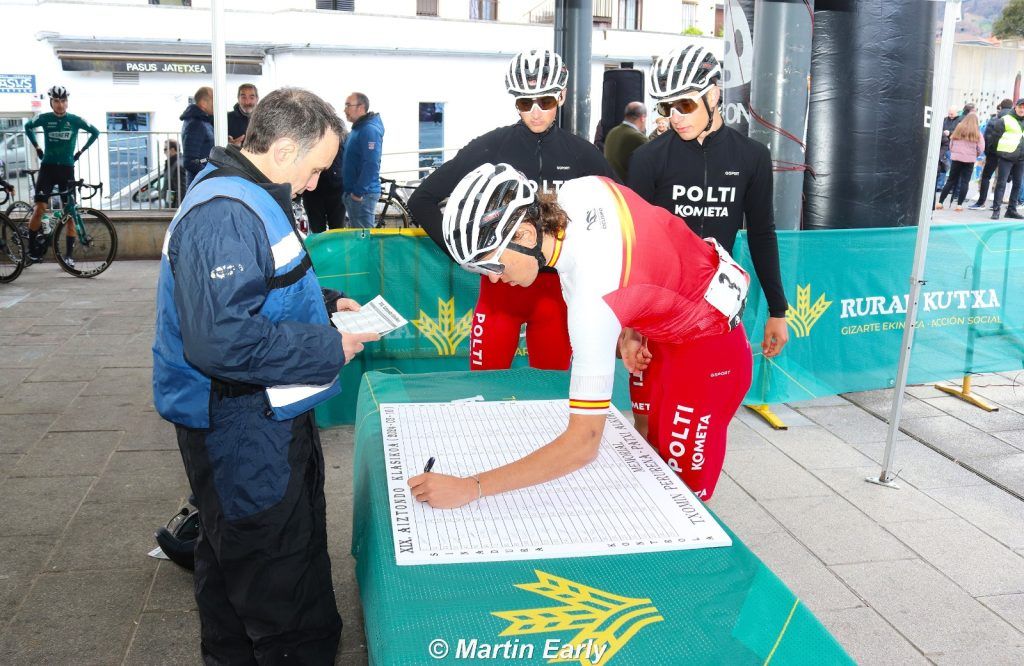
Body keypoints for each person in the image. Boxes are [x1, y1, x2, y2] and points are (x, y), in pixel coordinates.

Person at [152, 87, 379, 664]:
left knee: (239, 561)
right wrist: (327, 344)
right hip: (242, 423)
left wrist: (324, 303)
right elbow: (223, 341)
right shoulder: (226, 212)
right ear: (281, 150)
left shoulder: (246, 195)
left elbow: (258, 293)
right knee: (277, 577)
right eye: (314, 168)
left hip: (261, 413)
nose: (312, 183)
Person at [408, 163, 752, 507]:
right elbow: (651, 238)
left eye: (491, 264)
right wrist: (632, 322)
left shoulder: (592, 303)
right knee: (651, 457)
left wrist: (472, 487)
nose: (494, 280)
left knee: (682, 499)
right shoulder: (582, 189)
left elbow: (583, 443)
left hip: (709, 353)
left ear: (526, 234)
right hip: (675, 324)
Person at [408, 49, 617, 372]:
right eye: (524, 103)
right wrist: (467, 258)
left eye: (545, 101)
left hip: (555, 291)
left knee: (550, 398)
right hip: (499, 290)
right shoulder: (492, 146)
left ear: (561, 96)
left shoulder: (581, 154)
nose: (535, 112)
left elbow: (621, 216)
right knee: (486, 391)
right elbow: (421, 199)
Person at [627, 45, 787, 437]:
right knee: (648, 421)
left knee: (700, 419)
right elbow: (634, 245)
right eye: (666, 108)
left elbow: (763, 233)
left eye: (684, 105)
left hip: (716, 306)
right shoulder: (649, 158)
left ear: (714, 94)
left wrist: (778, 310)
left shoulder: (751, 156)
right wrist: (630, 326)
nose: (675, 117)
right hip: (659, 304)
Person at [22, 85, 100, 265]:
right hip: (48, 168)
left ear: (67, 102)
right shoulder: (44, 118)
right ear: (51, 102)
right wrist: (37, 147)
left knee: (70, 212)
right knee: (40, 208)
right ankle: (32, 251)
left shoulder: (74, 120)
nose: (60, 104)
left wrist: (80, 152)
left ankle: (69, 256)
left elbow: (95, 132)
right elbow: (27, 126)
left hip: (66, 169)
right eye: (56, 101)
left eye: (63, 101)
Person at [342, 92, 383, 228]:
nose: (344, 110)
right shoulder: (358, 128)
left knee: (364, 238)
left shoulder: (369, 130)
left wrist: (358, 193)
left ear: (361, 107)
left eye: (348, 105)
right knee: (359, 238)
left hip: (362, 195)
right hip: (355, 193)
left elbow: (371, 164)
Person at [302, 123, 347, 232]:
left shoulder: (341, 135)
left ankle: (335, 248)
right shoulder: (308, 136)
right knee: (318, 229)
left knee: (336, 229)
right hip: (314, 191)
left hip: (335, 189)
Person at [970, 98, 1013, 209]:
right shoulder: (1014, 120)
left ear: (1001, 107)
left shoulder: (994, 119)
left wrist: (987, 152)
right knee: (1002, 180)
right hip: (1008, 155)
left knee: (986, 177)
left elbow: (987, 138)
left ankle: (981, 202)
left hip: (993, 154)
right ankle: (995, 205)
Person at [935, 113, 984, 212]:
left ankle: (940, 202)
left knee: (950, 181)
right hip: (969, 160)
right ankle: (959, 205)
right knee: (965, 182)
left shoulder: (958, 128)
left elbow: (951, 143)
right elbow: (981, 148)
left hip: (956, 158)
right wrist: (975, 155)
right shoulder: (977, 132)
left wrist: (954, 152)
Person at [988, 98, 1024, 220]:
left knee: (1017, 184)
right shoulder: (1005, 119)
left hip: (1021, 158)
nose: (1022, 109)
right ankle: (996, 210)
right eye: (1020, 107)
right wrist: (1000, 153)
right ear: (1015, 107)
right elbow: (995, 138)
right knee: (1001, 183)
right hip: (1006, 156)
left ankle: (1011, 210)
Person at [603, 101, 648, 182]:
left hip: (612, 187)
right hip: (629, 190)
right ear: (642, 118)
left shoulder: (612, 132)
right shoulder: (638, 138)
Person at [181, 86, 215, 190]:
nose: (217, 104)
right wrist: (208, 175)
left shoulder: (201, 121)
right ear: (204, 103)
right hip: (200, 186)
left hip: (201, 183)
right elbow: (191, 161)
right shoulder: (196, 124)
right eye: (214, 101)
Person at [227, 83, 259, 147]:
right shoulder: (226, 119)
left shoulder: (265, 119)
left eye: (251, 98)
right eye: (243, 97)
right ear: (238, 99)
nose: (247, 102)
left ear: (257, 99)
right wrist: (229, 145)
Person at [158, 139, 187, 208]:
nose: (164, 152)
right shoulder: (172, 163)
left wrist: (178, 209)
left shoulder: (178, 165)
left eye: (165, 149)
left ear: (172, 150)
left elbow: (181, 189)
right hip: (170, 203)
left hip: (174, 207)